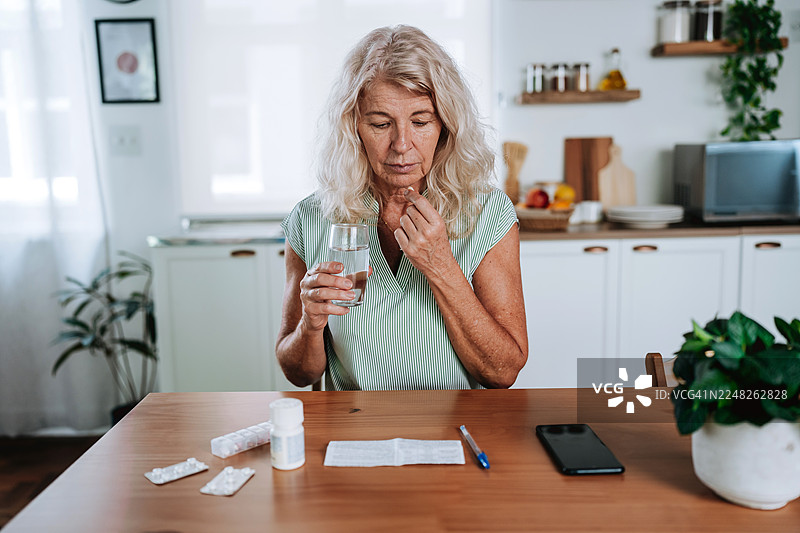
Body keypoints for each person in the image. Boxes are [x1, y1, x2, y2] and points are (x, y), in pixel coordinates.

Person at [277, 25, 527, 391]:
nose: (401, 144)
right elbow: (298, 374)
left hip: (457, 426)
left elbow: (503, 372)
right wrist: (310, 326)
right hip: (354, 425)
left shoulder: (488, 212)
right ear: (353, 126)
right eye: (380, 123)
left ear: (446, 125)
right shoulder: (311, 218)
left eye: (421, 121)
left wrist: (441, 265)